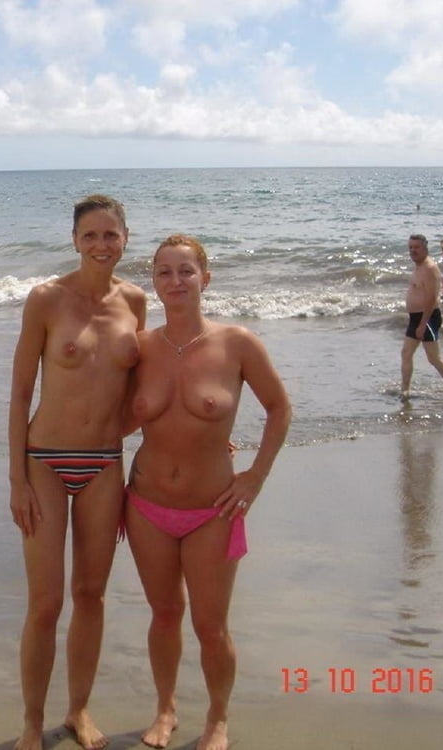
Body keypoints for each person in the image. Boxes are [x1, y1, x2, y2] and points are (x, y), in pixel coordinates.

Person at [123, 235, 290, 750]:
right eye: (164, 272)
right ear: (153, 281)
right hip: (146, 505)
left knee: (211, 625)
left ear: (205, 278)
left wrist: (255, 476)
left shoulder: (236, 343)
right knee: (163, 616)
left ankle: (218, 719)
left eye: (186, 271)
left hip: (212, 511)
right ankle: (165, 709)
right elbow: (114, 418)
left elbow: (279, 408)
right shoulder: (140, 348)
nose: (175, 281)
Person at [9, 194, 147, 750]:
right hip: (44, 461)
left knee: (92, 595)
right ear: (74, 240)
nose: (100, 245)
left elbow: (142, 390)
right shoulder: (46, 299)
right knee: (45, 604)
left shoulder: (135, 301)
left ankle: (79, 711)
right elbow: (20, 393)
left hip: (105, 464)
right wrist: (16, 479)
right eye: (90, 235)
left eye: (110, 235)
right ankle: (31, 722)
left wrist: (198, 432)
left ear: (125, 239)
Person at [402, 234, 443, 397]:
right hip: (416, 318)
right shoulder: (418, 266)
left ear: (425, 248)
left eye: (417, 247)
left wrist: (422, 324)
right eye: (410, 247)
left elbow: (432, 299)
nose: (413, 251)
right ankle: (404, 391)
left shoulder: (429, 268)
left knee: (433, 358)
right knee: (406, 353)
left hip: (427, 318)